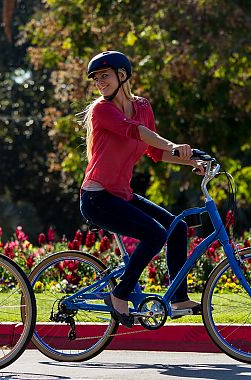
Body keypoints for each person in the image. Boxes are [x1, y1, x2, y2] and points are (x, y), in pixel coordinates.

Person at [79, 51, 206, 328]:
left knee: (177, 228)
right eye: (96, 78)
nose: (100, 82)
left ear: (122, 75)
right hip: (97, 197)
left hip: (121, 194)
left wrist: (193, 161)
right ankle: (119, 294)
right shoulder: (103, 110)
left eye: (105, 76)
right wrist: (173, 144)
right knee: (155, 234)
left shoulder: (143, 107)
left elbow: (156, 152)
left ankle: (179, 298)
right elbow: (138, 133)